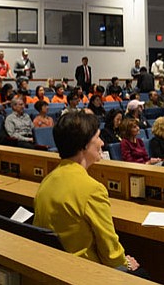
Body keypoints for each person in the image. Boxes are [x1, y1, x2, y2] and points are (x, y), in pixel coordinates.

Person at [33, 111, 143, 274]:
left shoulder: (47, 181)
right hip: (84, 273)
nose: (102, 143)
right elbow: (111, 255)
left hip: (54, 267)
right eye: (97, 137)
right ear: (84, 145)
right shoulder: (92, 189)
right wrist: (126, 263)